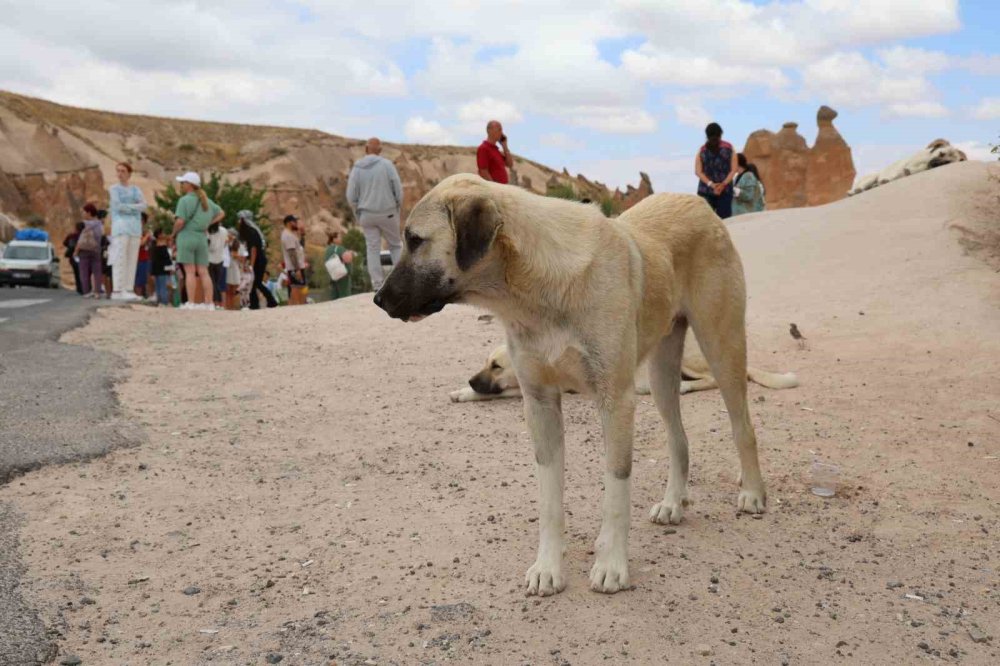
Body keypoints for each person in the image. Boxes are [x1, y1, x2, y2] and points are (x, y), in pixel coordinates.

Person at [346, 137, 403, 290]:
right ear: (380, 150)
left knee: (372, 249)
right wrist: (397, 205)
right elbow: (397, 188)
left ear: (366, 149)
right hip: (388, 212)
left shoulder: (357, 169)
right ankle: (400, 282)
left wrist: (357, 212)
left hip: (366, 214)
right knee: (395, 246)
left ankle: (377, 284)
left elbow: (351, 196)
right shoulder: (387, 165)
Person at [171, 171, 223, 311]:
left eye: (183, 183)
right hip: (201, 237)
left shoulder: (184, 200)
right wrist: (208, 223)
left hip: (186, 236)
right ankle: (209, 303)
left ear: (189, 185)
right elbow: (221, 213)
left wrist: (173, 233)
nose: (181, 185)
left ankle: (191, 302)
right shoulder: (207, 201)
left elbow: (180, 221)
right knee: (204, 271)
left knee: (189, 272)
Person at [108, 162, 147, 300]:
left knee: (132, 258)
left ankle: (128, 288)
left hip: (135, 228)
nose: (120, 173)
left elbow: (143, 205)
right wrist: (134, 206)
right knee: (120, 257)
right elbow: (118, 207)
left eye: (123, 171)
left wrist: (129, 206)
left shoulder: (136, 190)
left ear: (129, 173)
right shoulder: (114, 189)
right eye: (118, 170)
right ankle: (118, 289)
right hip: (120, 226)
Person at [694, 122, 738, 219]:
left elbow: (698, 172)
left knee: (705, 221)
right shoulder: (729, 148)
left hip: (705, 190)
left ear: (706, 135)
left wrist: (712, 184)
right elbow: (734, 169)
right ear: (720, 134)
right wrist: (723, 184)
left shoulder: (702, 150)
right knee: (725, 221)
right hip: (725, 190)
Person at [236, 210, 277, 310]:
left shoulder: (250, 232)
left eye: (239, 219)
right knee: (256, 283)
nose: (237, 222)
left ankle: (257, 304)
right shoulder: (253, 231)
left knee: (254, 283)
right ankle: (268, 302)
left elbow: (253, 249)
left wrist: (251, 265)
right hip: (259, 259)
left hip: (258, 260)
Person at [74, 204, 104, 298]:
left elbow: (81, 239)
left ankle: (87, 292)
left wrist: (76, 251)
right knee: (97, 272)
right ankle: (97, 292)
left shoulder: (85, 224)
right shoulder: (100, 224)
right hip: (96, 250)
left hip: (84, 250)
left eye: (84, 212)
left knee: (84, 272)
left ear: (89, 212)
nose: (83, 214)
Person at [280, 215, 307, 305]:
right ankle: (295, 308)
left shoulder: (291, 234)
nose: (296, 224)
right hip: (294, 267)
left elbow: (300, 248)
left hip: (298, 266)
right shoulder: (287, 235)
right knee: (296, 288)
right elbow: (291, 253)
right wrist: (297, 269)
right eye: (294, 222)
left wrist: (302, 235)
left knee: (300, 287)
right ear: (288, 223)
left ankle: (299, 306)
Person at [477, 120, 513, 184]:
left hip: (502, 189)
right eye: (499, 129)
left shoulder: (495, 150)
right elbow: (483, 171)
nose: (501, 133)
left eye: (501, 130)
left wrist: (505, 146)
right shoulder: (483, 148)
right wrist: (495, 188)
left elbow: (510, 164)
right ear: (489, 130)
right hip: (494, 191)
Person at [324, 230, 354, 300]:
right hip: (343, 276)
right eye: (339, 237)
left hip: (332, 276)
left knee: (334, 296)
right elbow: (348, 259)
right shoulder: (339, 248)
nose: (341, 239)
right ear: (334, 239)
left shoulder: (328, 250)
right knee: (345, 296)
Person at [207, 220, 229, 308]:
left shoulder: (209, 231)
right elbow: (225, 243)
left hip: (210, 259)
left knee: (212, 282)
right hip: (220, 259)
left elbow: (210, 246)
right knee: (217, 282)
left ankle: (214, 301)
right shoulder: (224, 230)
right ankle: (219, 302)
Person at [150, 229, 173, 306]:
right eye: (163, 233)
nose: (164, 234)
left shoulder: (154, 246)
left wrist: (152, 271)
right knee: (164, 286)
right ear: (159, 235)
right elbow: (167, 260)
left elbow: (153, 260)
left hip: (156, 269)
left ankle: (159, 301)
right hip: (163, 270)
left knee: (158, 286)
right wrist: (171, 268)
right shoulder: (163, 247)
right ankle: (164, 301)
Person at [134, 214, 153, 298]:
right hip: (136, 259)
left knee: (144, 279)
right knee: (137, 280)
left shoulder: (145, 232)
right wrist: (147, 236)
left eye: (141, 220)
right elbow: (140, 243)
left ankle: (145, 296)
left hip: (145, 258)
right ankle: (137, 296)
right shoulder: (134, 233)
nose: (139, 222)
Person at [63, 222, 84, 294]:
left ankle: (79, 288)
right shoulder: (85, 236)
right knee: (84, 272)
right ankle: (85, 287)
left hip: (73, 256)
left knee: (76, 273)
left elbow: (64, 243)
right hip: (83, 256)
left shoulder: (71, 235)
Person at [225, 228, 242, 310]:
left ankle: (233, 305)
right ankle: (228, 306)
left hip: (234, 266)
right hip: (227, 266)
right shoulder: (226, 243)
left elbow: (240, 256)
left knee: (233, 288)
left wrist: (235, 255)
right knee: (227, 288)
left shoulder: (237, 244)